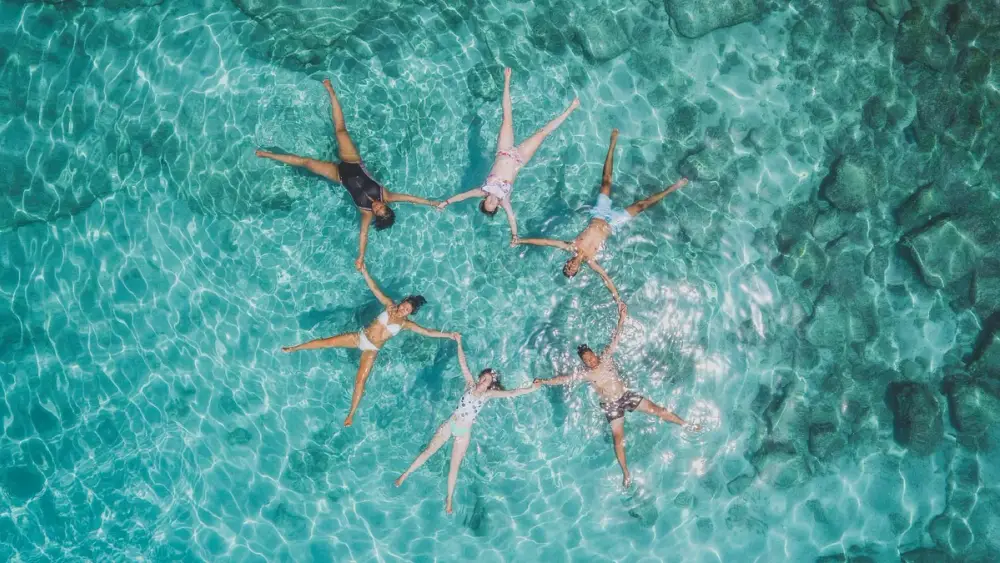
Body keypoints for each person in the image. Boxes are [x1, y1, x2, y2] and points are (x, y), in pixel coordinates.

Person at [256, 78, 440, 270]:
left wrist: (361, 256)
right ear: (386, 205)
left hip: (339, 175)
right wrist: (431, 202)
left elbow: (363, 235)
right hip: (353, 161)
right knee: (341, 131)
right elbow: (410, 198)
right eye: (382, 208)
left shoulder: (366, 214)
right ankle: (331, 91)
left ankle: (267, 154)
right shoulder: (387, 195)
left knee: (306, 162)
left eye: (377, 212)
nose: (377, 207)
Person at [534, 299, 699, 488]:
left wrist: (622, 317)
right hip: (611, 406)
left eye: (590, 356)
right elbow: (564, 378)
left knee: (658, 410)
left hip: (626, 397)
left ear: (594, 354)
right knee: (618, 440)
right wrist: (545, 381)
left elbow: (616, 337)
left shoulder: (606, 357)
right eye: (586, 360)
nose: (590, 361)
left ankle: (685, 424)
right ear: (584, 363)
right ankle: (626, 473)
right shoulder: (586, 374)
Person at [517, 129, 689, 299]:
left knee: (606, 181)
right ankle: (673, 188)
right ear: (577, 270)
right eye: (572, 271)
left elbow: (545, 241)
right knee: (641, 205)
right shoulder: (591, 261)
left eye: (567, 267)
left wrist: (521, 240)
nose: (570, 268)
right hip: (612, 223)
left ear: (567, 262)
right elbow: (606, 279)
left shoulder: (570, 245)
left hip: (599, 214)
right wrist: (618, 300)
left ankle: (612, 142)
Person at [282, 263, 457, 426]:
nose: (404, 310)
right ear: (402, 301)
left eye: (408, 311)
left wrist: (449, 335)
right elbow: (374, 289)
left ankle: (351, 414)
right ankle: (294, 348)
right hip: (359, 338)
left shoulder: (406, 324)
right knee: (325, 342)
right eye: (405, 306)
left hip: (372, 350)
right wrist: (364, 271)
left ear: (410, 314)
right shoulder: (389, 304)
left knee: (360, 381)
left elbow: (427, 332)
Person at [395, 336, 542, 514]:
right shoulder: (470, 385)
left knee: (454, 466)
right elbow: (462, 363)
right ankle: (406, 474)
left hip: (464, 432)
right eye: (483, 378)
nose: (483, 381)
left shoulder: (489, 395)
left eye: (487, 380)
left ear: (490, 385)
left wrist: (531, 389)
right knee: (428, 450)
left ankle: (449, 499)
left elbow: (512, 392)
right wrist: (458, 343)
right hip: (451, 423)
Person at [437, 68, 580, 247]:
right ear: (497, 207)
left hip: (503, 150)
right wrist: (515, 236)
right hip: (519, 159)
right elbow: (512, 218)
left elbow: (462, 196)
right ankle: (571, 109)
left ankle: (506, 80)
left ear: (484, 200)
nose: (491, 200)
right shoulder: (504, 200)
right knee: (542, 133)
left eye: (488, 202)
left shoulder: (483, 190)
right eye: (493, 204)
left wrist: (445, 202)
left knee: (507, 118)